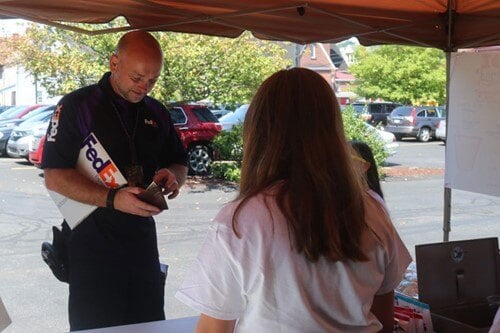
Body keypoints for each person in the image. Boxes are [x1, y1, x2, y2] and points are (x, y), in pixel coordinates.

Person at [176, 67, 411, 332]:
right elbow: (384, 317)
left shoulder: (242, 220)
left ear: (259, 131)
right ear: (333, 128)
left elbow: (213, 329)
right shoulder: (371, 209)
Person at [42, 30, 188, 331]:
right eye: (137, 78)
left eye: (152, 80)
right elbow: (54, 177)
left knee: (149, 326)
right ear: (114, 63)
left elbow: (179, 162)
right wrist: (112, 198)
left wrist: (173, 177)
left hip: (141, 246)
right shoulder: (77, 107)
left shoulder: (156, 111)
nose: (144, 87)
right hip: (91, 246)